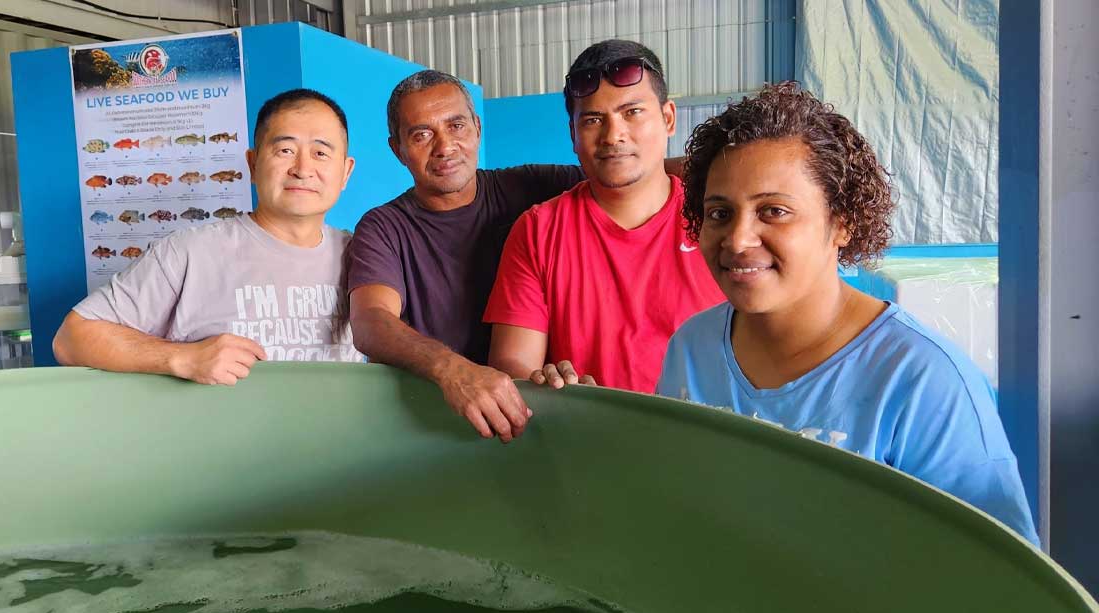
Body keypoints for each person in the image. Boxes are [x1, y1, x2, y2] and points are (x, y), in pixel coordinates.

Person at [655, 82, 1039, 544]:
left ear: (843, 222)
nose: (738, 239)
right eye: (720, 213)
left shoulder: (922, 383)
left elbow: (997, 570)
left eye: (773, 211)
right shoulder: (692, 349)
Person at [54, 88, 364, 385]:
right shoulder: (189, 252)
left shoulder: (364, 255)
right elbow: (71, 338)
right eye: (285, 150)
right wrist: (182, 357)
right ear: (253, 164)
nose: (302, 169)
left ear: (346, 172)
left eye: (320, 153)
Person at [347, 70, 588, 443]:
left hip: (535, 417)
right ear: (398, 150)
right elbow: (370, 320)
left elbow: (633, 178)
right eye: (421, 135)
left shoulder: (530, 187)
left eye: (456, 126)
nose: (445, 147)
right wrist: (453, 371)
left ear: (477, 128)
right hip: (430, 427)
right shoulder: (384, 227)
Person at [484, 40, 724, 394]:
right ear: (573, 135)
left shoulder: (718, 220)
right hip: (585, 426)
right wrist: (546, 385)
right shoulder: (537, 231)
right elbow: (513, 366)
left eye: (632, 112)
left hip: (708, 425)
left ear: (668, 118)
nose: (613, 135)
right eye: (593, 119)